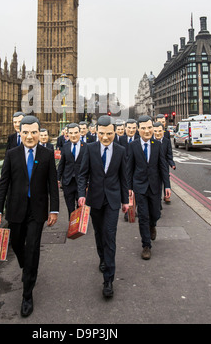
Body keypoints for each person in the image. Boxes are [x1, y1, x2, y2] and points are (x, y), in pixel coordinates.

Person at [0, 115, 59, 318]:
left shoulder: (47, 155)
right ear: (19, 134)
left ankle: (27, 293)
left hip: (37, 210)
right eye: (26, 132)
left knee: (32, 248)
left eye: (34, 132)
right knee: (18, 244)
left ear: (39, 133)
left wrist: (53, 210)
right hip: (15, 208)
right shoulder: (11, 154)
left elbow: (52, 185)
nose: (30, 136)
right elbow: (3, 183)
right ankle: (26, 266)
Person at [78, 115, 129, 298]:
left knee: (110, 235)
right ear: (96, 132)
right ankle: (102, 258)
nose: (105, 137)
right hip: (95, 199)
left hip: (113, 201)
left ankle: (108, 279)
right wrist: (82, 195)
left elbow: (124, 178)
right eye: (101, 133)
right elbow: (83, 174)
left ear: (114, 132)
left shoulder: (121, 151)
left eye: (109, 134)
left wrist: (125, 201)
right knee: (99, 234)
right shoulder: (90, 149)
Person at [126, 115, 171, 260]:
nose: (147, 130)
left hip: (155, 186)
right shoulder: (133, 146)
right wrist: (129, 188)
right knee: (143, 216)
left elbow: (163, 166)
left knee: (155, 213)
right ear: (138, 130)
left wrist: (167, 186)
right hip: (139, 186)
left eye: (149, 127)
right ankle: (146, 245)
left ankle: (153, 225)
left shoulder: (158, 145)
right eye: (143, 128)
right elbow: (129, 168)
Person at [57, 123, 87, 218]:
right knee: (70, 206)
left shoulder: (86, 147)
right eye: (71, 133)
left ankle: (79, 224)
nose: (73, 135)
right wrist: (58, 178)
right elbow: (61, 163)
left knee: (80, 205)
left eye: (75, 132)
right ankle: (72, 224)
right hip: (68, 181)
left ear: (80, 133)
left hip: (81, 182)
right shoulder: (65, 146)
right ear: (67, 134)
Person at [153, 122, 176, 204]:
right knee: (156, 186)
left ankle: (166, 196)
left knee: (165, 181)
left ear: (163, 131)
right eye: (155, 131)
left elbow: (169, 154)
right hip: (154, 169)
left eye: (160, 131)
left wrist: (172, 163)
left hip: (164, 166)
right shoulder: (150, 141)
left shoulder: (166, 141)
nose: (157, 133)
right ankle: (157, 201)